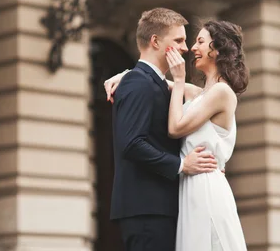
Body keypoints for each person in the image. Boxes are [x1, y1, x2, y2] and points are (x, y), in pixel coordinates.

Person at [105, 19, 250, 251]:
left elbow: (175, 128)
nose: (192, 48)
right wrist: (126, 74)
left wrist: (180, 79)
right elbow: (156, 80)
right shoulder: (202, 93)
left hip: (204, 188)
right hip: (188, 188)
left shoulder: (221, 92)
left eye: (200, 41)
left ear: (217, 49)